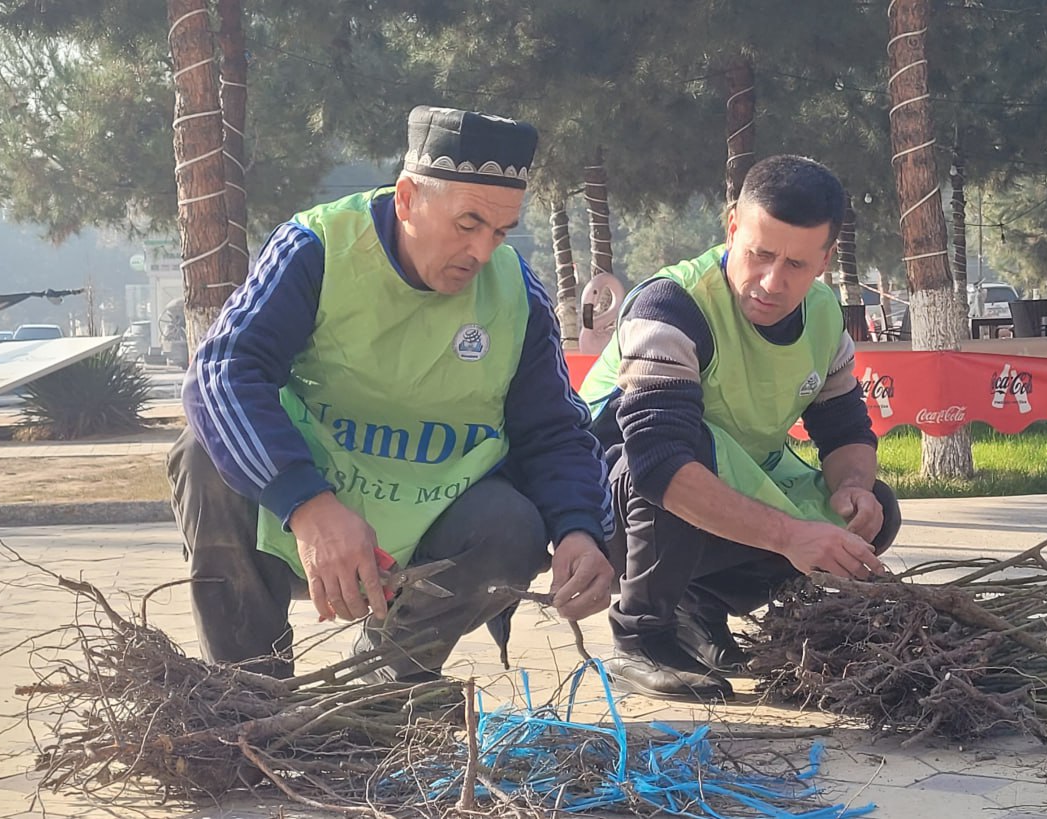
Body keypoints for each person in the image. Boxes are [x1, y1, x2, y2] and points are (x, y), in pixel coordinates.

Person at [169, 105, 615, 681]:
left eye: (500, 232)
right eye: (467, 223)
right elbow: (222, 372)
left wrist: (580, 530)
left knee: (513, 525)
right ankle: (249, 696)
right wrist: (310, 507)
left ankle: (380, 686)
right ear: (406, 198)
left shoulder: (515, 293)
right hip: (306, 504)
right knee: (203, 455)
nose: (482, 252)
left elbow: (555, 432)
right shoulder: (318, 247)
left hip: (428, 521)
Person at [579, 155, 901, 700]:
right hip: (609, 504)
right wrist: (791, 535)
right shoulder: (671, 307)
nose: (772, 283)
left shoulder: (824, 317)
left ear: (825, 260)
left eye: (797, 265)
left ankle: (698, 607)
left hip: (713, 481)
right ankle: (640, 634)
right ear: (733, 227)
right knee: (661, 467)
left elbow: (845, 427)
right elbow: (659, 465)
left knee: (876, 514)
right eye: (759, 254)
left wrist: (854, 488)